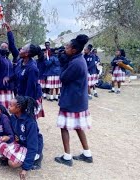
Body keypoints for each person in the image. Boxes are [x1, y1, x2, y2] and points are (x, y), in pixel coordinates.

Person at [55, 34, 93, 167]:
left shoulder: (75, 63)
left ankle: (67, 156)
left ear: (74, 50)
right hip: (78, 100)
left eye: (67, 47)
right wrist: (65, 60)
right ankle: (87, 154)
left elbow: (63, 77)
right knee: (78, 127)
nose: (65, 49)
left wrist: (63, 63)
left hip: (71, 100)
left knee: (64, 127)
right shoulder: (78, 59)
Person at [0, 96, 43, 180]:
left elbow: (32, 146)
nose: (8, 107)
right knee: (0, 146)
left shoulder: (30, 122)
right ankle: (18, 157)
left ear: (18, 108)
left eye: (11, 105)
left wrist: (25, 168)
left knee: (12, 163)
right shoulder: (13, 117)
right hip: (21, 144)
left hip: (31, 147)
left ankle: (37, 158)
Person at [14, 44, 44, 119]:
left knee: (29, 119)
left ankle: (34, 130)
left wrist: (26, 103)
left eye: (22, 49)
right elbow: (16, 74)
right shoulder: (20, 62)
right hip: (21, 95)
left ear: (26, 54)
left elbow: (31, 88)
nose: (20, 50)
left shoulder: (32, 68)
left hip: (30, 97)